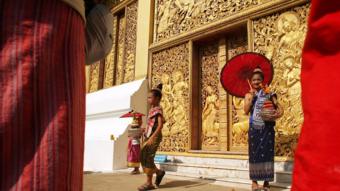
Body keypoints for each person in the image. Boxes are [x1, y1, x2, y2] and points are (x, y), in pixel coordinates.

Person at [244, 68, 283, 191]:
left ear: (262, 81)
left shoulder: (268, 92)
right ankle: (254, 182)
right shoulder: (248, 94)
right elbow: (245, 111)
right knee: (254, 154)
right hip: (255, 128)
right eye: (254, 80)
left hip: (267, 128)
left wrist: (271, 95)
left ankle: (266, 183)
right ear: (251, 81)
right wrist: (251, 98)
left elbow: (277, 105)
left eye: (258, 79)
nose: (256, 82)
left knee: (267, 153)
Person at [138, 84, 166, 191]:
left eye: (150, 97)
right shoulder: (151, 109)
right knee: (143, 156)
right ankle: (159, 172)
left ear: (157, 98)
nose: (148, 99)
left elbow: (159, 125)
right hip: (149, 135)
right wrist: (144, 129)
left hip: (155, 136)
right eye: (148, 97)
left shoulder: (158, 110)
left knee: (148, 157)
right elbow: (151, 125)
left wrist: (151, 138)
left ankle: (149, 183)